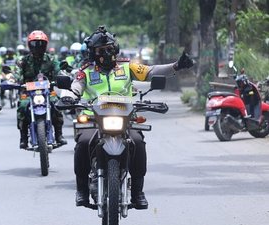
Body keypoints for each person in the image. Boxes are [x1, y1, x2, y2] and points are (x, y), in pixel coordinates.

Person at [60, 25, 193, 209]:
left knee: (137, 142)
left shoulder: (127, 67)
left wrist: (177, 66)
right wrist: (69, 96)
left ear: (115, 49)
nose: (106, 53)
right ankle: (81, 190)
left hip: (125, 116)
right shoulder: (86, 71)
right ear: (92, 53)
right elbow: (76, 87)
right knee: (83, 143)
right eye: (101, 50)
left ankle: (138, 192)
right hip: (93, 118)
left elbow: (151, 72)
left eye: (109, 49)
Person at [16, 30, 67, 149]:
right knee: (22, 106)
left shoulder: (52, 59)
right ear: (29, 45)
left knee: (57, 104)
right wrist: (14, 81)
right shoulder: (23, 61)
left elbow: (58, 71)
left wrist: (61, 77)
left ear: (45, 45)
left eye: (41, 44)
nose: (38, 47)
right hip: (28, 92)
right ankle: (23, 137)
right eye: (34, 44)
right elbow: (16, 73)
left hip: (48, 91)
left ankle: (59, 135)